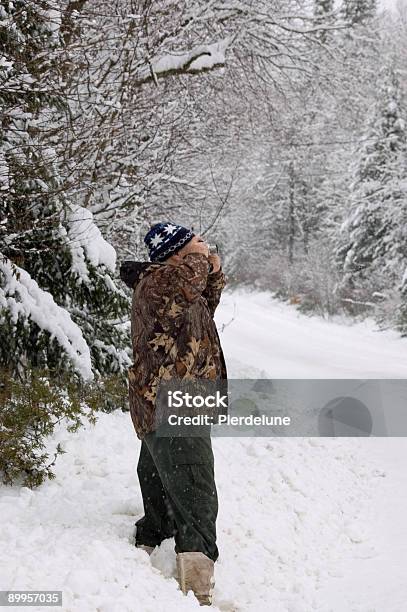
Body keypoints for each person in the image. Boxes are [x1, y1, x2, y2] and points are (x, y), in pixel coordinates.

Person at [120, 222, 228, 606]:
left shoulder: (177, 289)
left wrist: (212, 272)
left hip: (171, 399)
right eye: (196, 244)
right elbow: (188, 282)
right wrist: (201, 258)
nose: (205, 246)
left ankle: (152, 535)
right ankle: (197, 585)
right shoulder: (158, 283)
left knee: (161, 475)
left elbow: (203, 303)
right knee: (195, 486)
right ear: (178, 254)